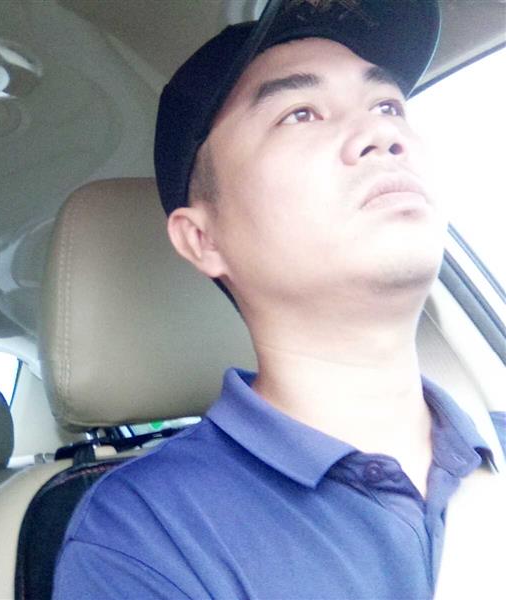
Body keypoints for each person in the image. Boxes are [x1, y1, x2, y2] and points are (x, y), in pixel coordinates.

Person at [53, 1, 501, 598]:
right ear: (203, 239)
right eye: (300, 113)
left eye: (388, 105)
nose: (383, 133)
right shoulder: (144, 538)